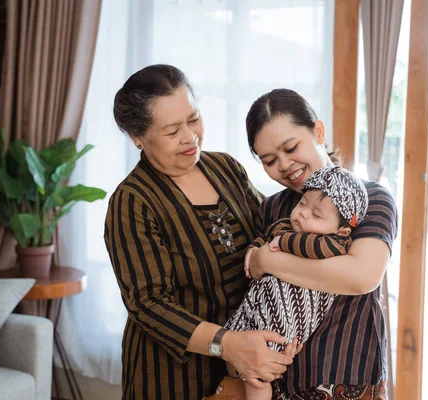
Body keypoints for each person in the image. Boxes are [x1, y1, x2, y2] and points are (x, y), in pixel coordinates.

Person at [104, 65, 299, 400]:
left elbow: (271, 224)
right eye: (171, 131)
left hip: (244, 370)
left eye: (193, 119)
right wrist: (227, 344)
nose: (190, 137)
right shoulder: (132, 201)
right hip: (172, 376)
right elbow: (148, 303)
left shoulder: (225, 167)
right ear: (138, 137)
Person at [245, 89, 398, 399]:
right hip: (280, 377)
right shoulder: (271, 208)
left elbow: (360, 276)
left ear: (318, 131)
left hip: (347, 373)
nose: (285, 164)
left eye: (291, 147)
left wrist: (267, 260)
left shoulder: (369, 199)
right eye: (270, 160)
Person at [221, 165, 369, 400]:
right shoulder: (284, 225)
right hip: (260, 303)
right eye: (302, 204)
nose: (302, 214)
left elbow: (313, 247)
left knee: (260, 374)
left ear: (341, 230)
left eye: (317, 214)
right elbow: (264, 237)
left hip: (289, 314)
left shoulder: (334, 243)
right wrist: (253, 249)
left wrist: (283, 241)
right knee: (231, 347)